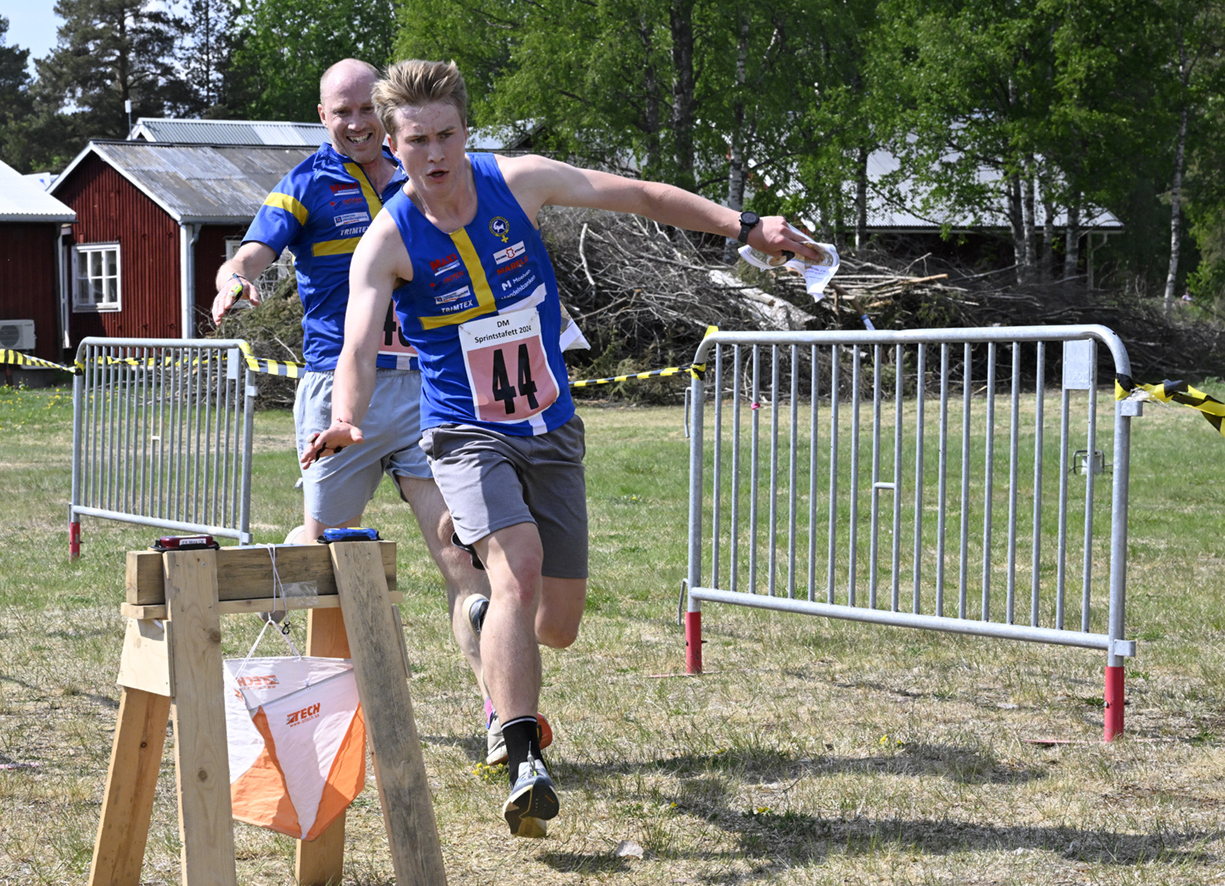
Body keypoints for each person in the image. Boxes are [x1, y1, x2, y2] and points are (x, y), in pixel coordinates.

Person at [302, 59, 824, 837]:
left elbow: (640, 196)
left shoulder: (518, 182)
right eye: (415, 141)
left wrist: (746, 227)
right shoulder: (386, 241)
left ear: (466, 132)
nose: (434, 154)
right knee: (517, 563)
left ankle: (485, 605)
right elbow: (354, 346)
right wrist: (347, 416)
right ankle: (522, 757)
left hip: (549, 427)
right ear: (391, 142)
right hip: (463, 431)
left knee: (557, 624)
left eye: (446, 135)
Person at [212, 59, 495, 736]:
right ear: (323, 117)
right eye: (342, 112)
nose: (358, 123)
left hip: (429, 388)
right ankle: (287, 583)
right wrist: (234, 277)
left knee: (461, 556)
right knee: (322, 551)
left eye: (368, 108)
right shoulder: (304, 184)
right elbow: (253, 249)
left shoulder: (424, 167)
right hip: (340, 395)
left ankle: (501, 713)